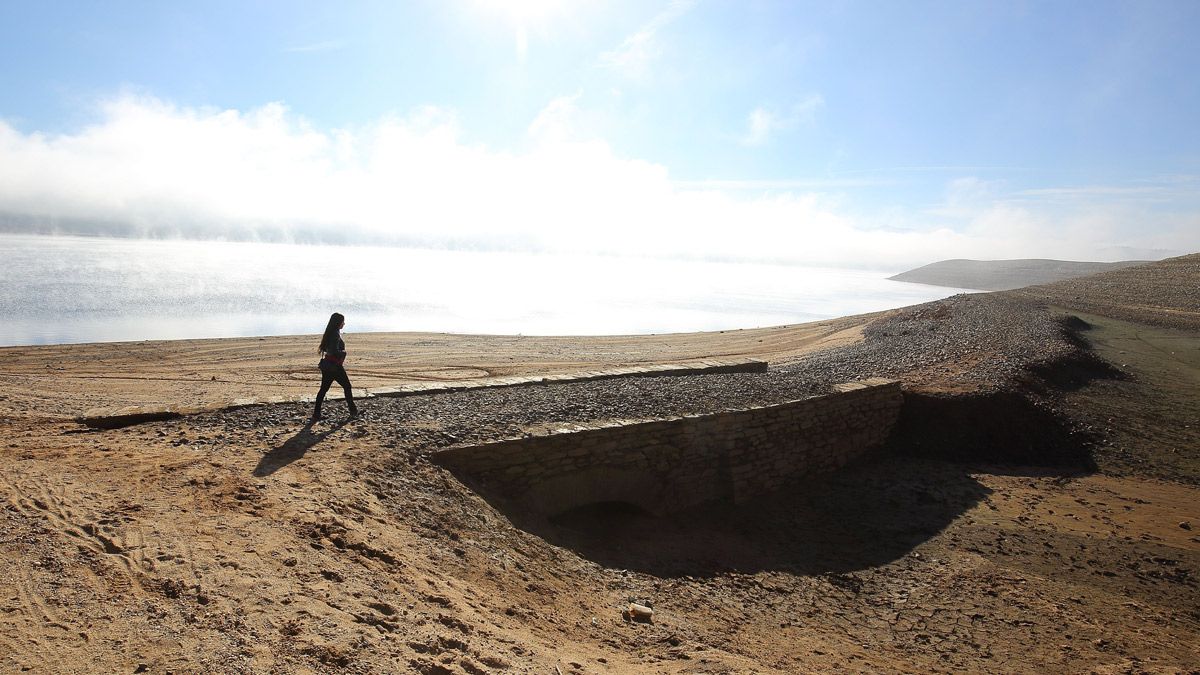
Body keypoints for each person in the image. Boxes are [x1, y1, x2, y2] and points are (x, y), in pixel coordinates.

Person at [312, 312, 358, 421]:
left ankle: (316, 414)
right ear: (338, 323)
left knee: (323, 390)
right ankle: (353, 411)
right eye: (343, 321)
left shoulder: (330, 332)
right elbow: (333, 351)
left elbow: (328, 350)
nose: (344, 324)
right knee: (347, 386)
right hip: (335, 366)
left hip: (327, 365)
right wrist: (343, 353)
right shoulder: (335, 334)